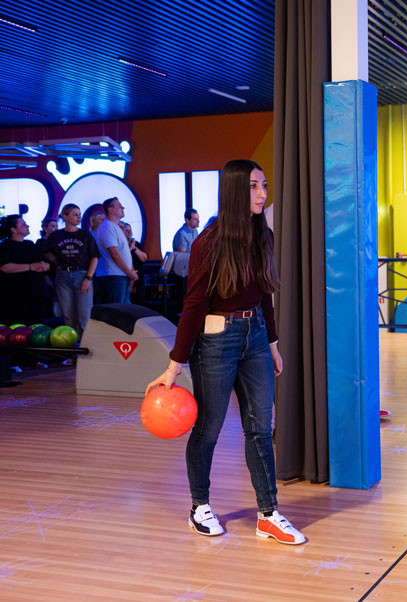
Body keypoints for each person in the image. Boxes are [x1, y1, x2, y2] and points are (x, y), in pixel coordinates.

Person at [145, 159, 304, 545]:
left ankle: (268, 514)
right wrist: (174, 365)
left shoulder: (260, 234)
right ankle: (199, 506)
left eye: (263, 185)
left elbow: (265, 293)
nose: (262, 194)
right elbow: (194, 304)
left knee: (260, 428)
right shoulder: (208, 242)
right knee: (209, 428)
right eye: (253, 186)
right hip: (216, 341)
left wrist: (273, 344)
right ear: (234, 190)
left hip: (256, 337)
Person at [44, 204, 100, 339]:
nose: (79, 217)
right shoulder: (56, 235)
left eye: (79, 214)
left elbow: (94, 257)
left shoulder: (85, 235)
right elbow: (44, 250)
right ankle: (72, 345)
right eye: (75, 214)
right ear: (65, 216)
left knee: (84, 314)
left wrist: (88, 278)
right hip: (62, 275)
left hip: (82, 274)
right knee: (68, 314)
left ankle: (85, 345)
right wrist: (55, 261)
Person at [0, 215, 50, 325]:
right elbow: (5, 267)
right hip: (15, 296)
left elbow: (43, 261)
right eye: (23, 224)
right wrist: (31, 266)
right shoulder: (5, 246)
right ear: (13, 229)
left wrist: (45, 266)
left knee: (35, 325)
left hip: (35, 294)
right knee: (16, 326)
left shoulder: (30, 244)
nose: (27, 226)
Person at [95, 197, 138, 304]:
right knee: (116, 311)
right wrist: (129, 272)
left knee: (124, 310)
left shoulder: (115, 227)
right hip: (113, 276)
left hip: (120, 275)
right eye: (119, 206)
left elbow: (123, 252)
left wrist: (130, 270)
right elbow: (114, 253)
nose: (123, 207)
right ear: (110, 209)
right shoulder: (107, 227)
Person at [122, 222, 148, 304]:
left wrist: (134, 248)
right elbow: (123, 258)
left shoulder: (136, 244)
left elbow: (144, 258)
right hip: (126, 278)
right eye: (126, 230)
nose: (129, 232)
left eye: (130, 230)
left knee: (140, 302)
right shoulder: (121, 245)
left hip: (138, 279)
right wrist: (129, 248)